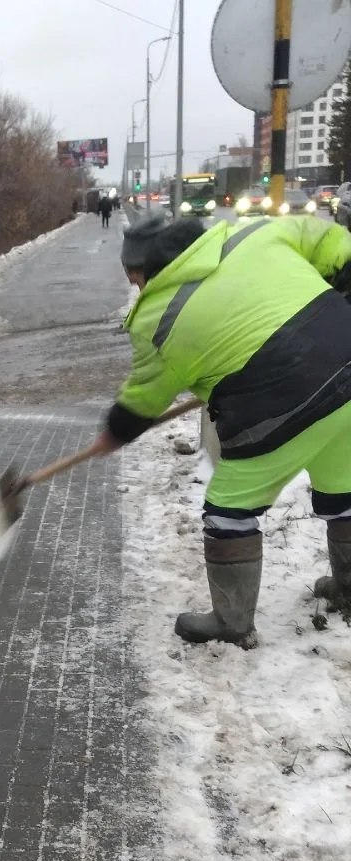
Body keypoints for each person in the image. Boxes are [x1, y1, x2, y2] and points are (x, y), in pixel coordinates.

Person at [91, 211, 351, 647]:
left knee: (229, 509)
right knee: (344, 486)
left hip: (279, 406)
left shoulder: (159, 319)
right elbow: (334, 241)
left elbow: (143, 400)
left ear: (149, 269)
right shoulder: (261, 233)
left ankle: (232, 623)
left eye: (134, 276)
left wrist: (114, 433)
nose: (135, 286)